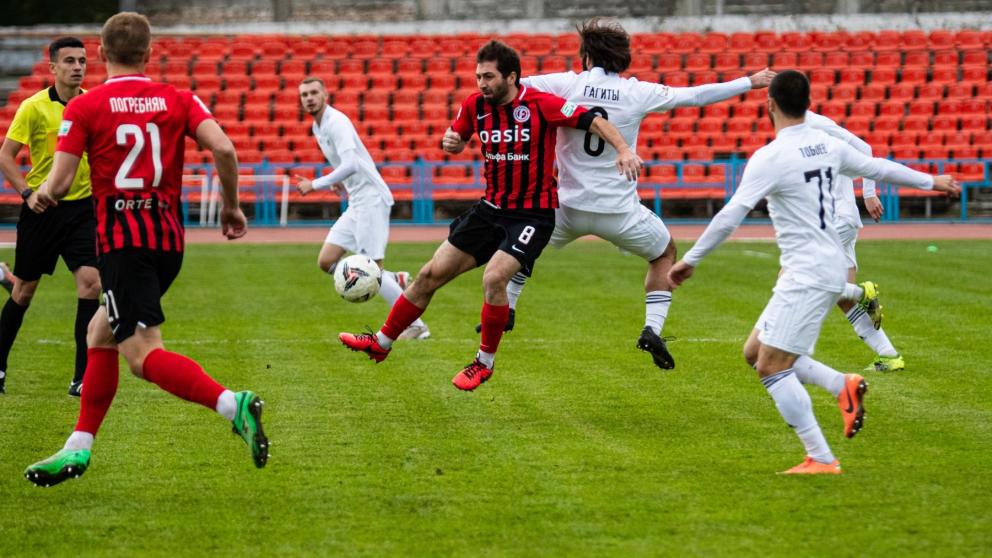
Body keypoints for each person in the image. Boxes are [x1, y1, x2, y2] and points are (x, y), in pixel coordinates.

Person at [667, 70, 959, 474]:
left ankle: (820, 457)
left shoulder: (771, 157)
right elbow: (878, 167)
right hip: (818, 267)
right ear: (807, 102)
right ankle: (843, 384)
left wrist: (691, 259)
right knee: (754, 352)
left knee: (771, 366)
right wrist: (933, 181)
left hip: (807, 273)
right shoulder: (827, 144)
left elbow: (731, 214)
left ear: (769, 103)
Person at [23, 12, 268, 487]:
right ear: (150, 53)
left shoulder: (86, 106)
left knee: (141, 355)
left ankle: (231, 403)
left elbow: (61, 179)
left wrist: (45, 194)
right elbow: (224, 150)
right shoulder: (179, 98)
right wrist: (231, 210)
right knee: (100, 333)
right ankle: (78, 447)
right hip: (167, 241)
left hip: (122, 243)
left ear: (99, 53)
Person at [339, 40, 641, 391]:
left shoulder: (541, 104)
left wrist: (623, 149)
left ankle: (483, 364)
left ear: (511, 77)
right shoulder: (474, 106)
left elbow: (594, 122)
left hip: (532, 215)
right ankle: (382, 342)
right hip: (490, 210)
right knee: (428, 274)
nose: (482, 83)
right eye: (478, 76)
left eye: (488, 76)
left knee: (494, 279)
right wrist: (451, 142)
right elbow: (456, 136)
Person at [477, 18, 776, 371]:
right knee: (664, 253)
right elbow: (694, 96)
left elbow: (508, 88)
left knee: (525, 246)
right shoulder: (638, 92)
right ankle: (652, 328)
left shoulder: (563, 84)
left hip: (565, 207)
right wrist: (750, 82)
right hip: (617, 211)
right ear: (623, 58)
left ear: (586, 56)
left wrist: (464, 123)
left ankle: (508, 307)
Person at [0, 37, 100, 396]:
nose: (77, 67)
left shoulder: (92, 105)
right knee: (24, 292)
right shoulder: (33, 107)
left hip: (82, 210)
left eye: (82, 61)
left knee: (91, 284)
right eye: (70, 61)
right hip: (42, 209)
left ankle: (81, 377)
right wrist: (27, 194)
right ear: (53, 67)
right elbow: (5, 156)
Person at [294, 77, 429, 340]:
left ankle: (416, 326)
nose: (309, 98)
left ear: (325, 94)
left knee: (371, 271)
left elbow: (353, 164)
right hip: (356, 201)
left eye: (313, 93)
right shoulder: (317, 126)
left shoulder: (336, 122)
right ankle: (393, 279)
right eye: (304, 94)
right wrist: (340, 184)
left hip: (371, 199)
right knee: (326, 261)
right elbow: (345, 165)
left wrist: (317, 184)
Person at [804, 111, 904, 373]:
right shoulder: (795, 130)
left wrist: (868, 193)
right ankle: (889, 355)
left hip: (838, 220)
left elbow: (864, 147)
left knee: (792, 274)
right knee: (842, 297)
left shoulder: (816, 123)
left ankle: (863, 293)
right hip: (836, 221)